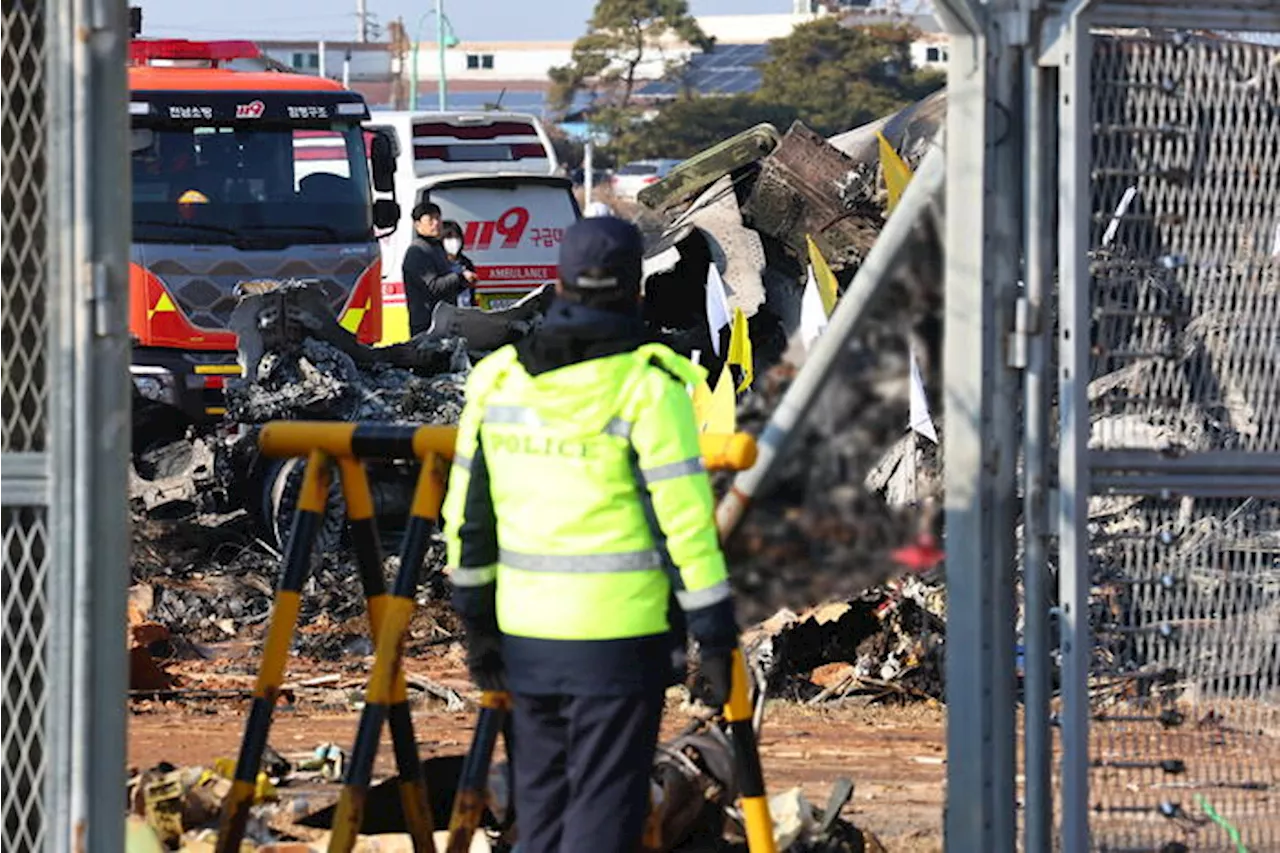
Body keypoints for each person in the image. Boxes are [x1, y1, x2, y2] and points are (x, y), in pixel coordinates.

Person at [442, 217, 740, 853]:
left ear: (561, 284)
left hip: (525, 639)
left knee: (540, 807)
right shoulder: (648, 390)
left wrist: (477, 632)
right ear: (635, 290)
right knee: (605, 811)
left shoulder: (498, 381)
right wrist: (714, 636)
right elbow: (686, 530)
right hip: (618, 643)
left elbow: (467, 525)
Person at [402, 202, 477, 335]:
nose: (436, 223)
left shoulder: (437, 248)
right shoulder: (418, 251)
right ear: (417, 225)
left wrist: (463, 283)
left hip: (444, 323)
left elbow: (447, 287)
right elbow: (433, 287)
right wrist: (460, 277)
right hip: (427, 325)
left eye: (438, 218)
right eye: (430, 220)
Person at [440, 219, 478, 308]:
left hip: (466, 312)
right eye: (449, 238)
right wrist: (461, 278)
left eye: (457, 237)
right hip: (449, 313)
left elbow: (471, 293)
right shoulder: (438, 263)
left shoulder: (466, 263)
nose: (454, 241)